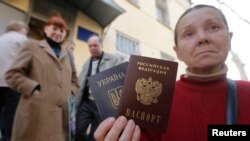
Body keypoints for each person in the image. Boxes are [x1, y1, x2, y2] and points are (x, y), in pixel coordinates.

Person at [93, 4, 250, 141]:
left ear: (230, 39)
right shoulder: (154, 101)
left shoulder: (247, 92)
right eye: (188, 33)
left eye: (213, 27)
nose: (202, 38)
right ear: (177, 52)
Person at [5, 14, 79, 141]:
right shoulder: (31, 46)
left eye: (62, 30)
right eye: (54, 28)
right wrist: (34, 89)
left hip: (60, 116)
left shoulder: (68, 55)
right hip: (35, 111)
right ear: (45, 29)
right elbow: (12, 74)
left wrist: (69, 92)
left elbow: (75, 80)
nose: (58, 32)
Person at [75, 34, 122, 141]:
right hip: (86, 102)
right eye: (90, 46)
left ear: (101, 45)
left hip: (102, 105)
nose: (92, 48)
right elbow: (80, 83)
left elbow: (121, 78)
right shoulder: (87, 63)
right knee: (78, 130)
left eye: (95, 45)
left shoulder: (113, 59)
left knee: (96, 135)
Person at [0, 20, 29, 141]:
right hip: (13, 85)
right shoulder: (21, 39)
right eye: (26, 32)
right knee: (11, 118)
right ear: (20, 29)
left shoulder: (1, 38)